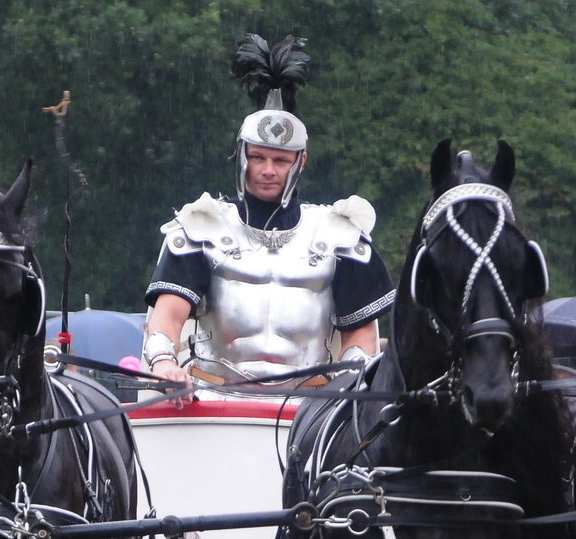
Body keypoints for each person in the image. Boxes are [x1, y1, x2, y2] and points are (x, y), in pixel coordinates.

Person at [143, 35, 395, 389]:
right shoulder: (202, 226)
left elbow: (361, 338)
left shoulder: (340, 235)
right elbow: (167, 318)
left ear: (301, 162)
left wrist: (350, 380)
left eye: (280, 160)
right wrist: (165, 362)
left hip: (309, 412)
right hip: (211, 404)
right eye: (258, 157)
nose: (267, 170)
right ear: (241, 155)